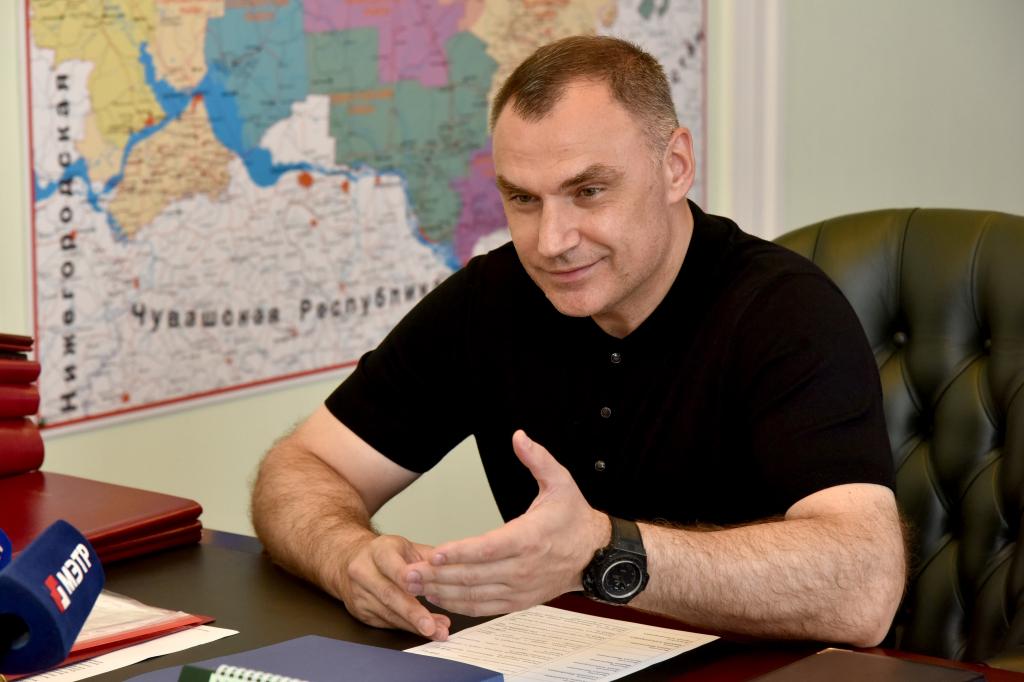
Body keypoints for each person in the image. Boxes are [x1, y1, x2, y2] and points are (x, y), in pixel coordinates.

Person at [251, 35, 906, 648]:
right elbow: (303, 466)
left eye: (588, 192)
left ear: (675, 167)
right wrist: (346, 557)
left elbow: (865, 589)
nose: (551, 241)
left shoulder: (785, 309)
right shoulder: (492, 296)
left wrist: (605, 550)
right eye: (523, 199)